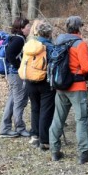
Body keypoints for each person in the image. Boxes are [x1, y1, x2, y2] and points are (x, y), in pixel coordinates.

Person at [48, 16, 88, 164]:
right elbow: (87, 67)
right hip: (77, 87)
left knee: (58, 118)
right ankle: (83, 153)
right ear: (79, 27)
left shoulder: (59, 41)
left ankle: (54, 151)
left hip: (60, 86)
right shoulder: (80, 44)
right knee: (81, 119)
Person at [23, 20, 56, 150]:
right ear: (49, 33)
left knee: (35, 108)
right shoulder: (50, 47)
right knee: (46, 110)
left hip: (30, 80)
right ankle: (44, 140)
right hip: (45, 81)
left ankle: (34, 136)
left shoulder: (29, 45)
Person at [0, 17, 31, 138]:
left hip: (13, 74)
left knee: (12, 100)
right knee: (19, 101)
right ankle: (20, 128)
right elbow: (10, 54)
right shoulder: (19, 40)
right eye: (28, 26)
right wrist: (19, 67)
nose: (30, 28)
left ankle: (5, 128)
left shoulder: (17, 38)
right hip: (16, 74)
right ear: (22, 28)